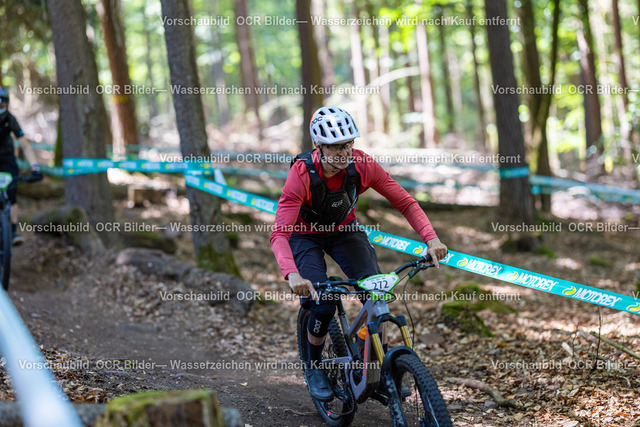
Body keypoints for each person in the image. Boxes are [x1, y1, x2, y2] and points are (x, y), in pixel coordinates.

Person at [270, 106, 448, 402]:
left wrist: (431, 239)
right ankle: (314, 366)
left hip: (343, 230)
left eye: (348, 144)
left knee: (376, 295)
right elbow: (280, 233)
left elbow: (404, 202)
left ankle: (374, 370)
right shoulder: (301, 174)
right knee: (323, 302)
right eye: (336, 146)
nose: (344, 152)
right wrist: (292, 274)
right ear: (319, 145)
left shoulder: (362, 165)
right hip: (304, 236)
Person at [0, 87, 41, 245]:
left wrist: (35, 167)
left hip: (8, 159)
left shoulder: (10, 119)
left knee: (11, 194)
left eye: (1, 106)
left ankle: (12, 231)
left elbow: (25, 146)